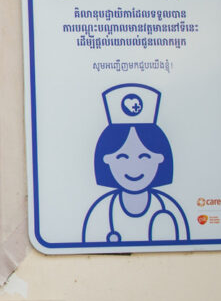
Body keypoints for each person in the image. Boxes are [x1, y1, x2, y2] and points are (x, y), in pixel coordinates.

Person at [81, 83, 191, 244]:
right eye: (122, 157)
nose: (134, 166)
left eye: (145, 157)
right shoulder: (100, 212)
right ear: (106, 160)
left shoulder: (169, 209)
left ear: (160, 158)